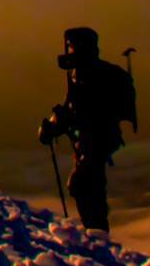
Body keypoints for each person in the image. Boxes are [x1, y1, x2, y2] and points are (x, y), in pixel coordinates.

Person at [38, 26, 137, 231]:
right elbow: (73, 108)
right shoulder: (91, 72)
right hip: (98, 139)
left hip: (94, 139)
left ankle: (97, 233)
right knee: (87, 186)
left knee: (84, 186)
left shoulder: (87, 76)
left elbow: (76, 109)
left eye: (72, 47)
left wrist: (54, 126)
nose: (69, 52)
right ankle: (96, 231)